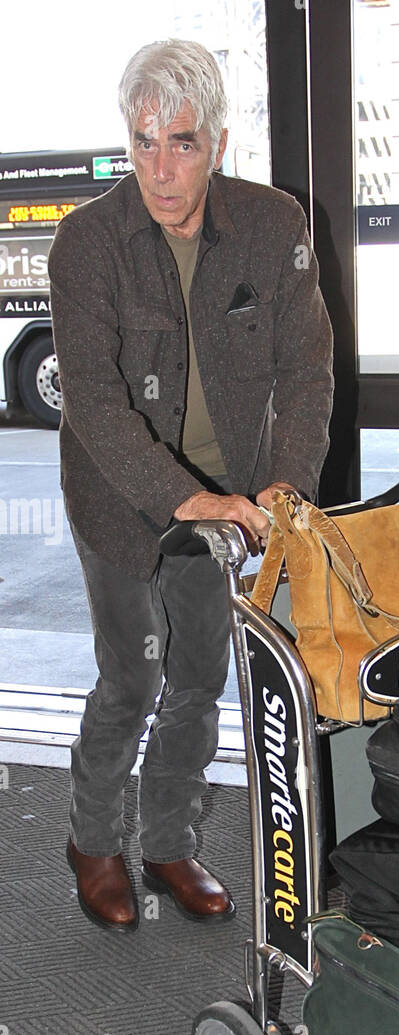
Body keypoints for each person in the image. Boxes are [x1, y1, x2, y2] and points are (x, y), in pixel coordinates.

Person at [49, 39, 334, 932]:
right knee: (131, 679)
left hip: (229, 501)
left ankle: (168, 841)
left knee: (202, 676)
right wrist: (184, 499)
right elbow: (92, 400)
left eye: (180, 143)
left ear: (216, 141)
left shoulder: (272, 223)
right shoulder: (88, 242)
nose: (160, 171)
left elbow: (310, 369)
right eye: (142, 143)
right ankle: (95, 842)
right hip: (119, 497)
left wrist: (283, 490)